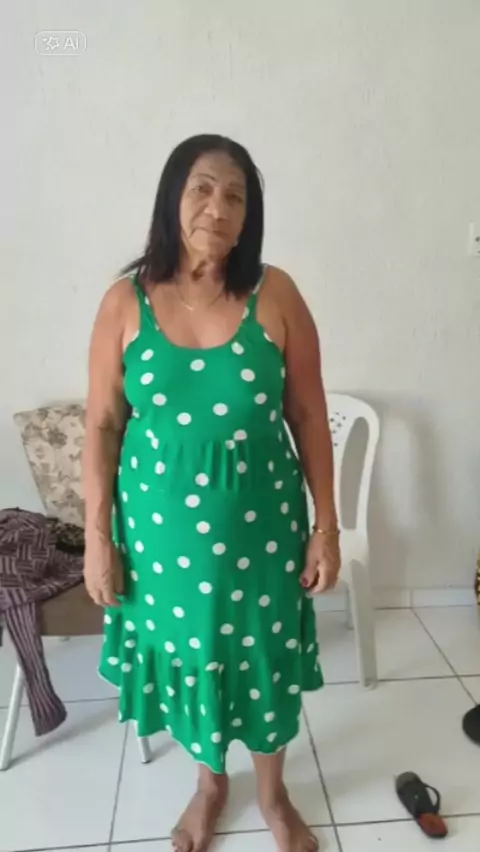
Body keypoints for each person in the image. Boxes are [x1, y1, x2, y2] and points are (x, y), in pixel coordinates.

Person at [83, 134, 340, 852]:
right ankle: (209, 787)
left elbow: (309, 415)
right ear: (172, 197)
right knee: (193, 655)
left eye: (235, 196)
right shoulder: (124, 302)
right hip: (161, 542)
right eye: (201, 188)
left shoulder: (275, 294)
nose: (217, 208)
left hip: (263, 531)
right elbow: (102, 424)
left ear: (249, 215)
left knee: (260, 653)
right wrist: (97, 539)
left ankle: (273, 794)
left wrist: (327, 528)